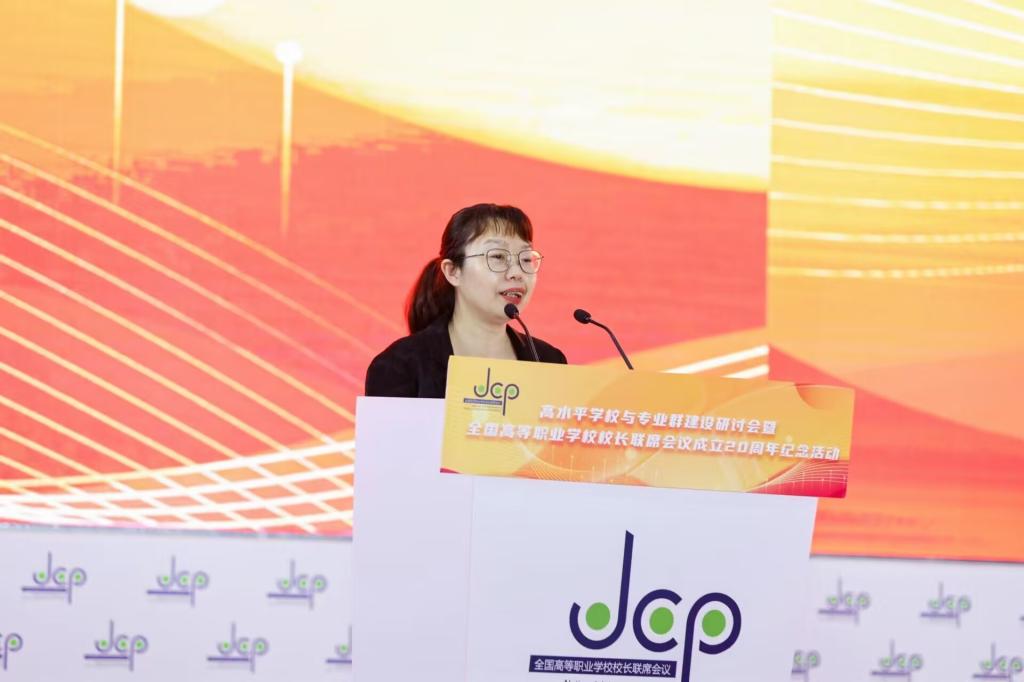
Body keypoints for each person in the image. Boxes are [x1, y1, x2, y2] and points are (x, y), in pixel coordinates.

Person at [365, 203, 567, 398]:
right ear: (453, 271)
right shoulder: (400, 366)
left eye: (525, 259)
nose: (517, 272)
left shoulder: (549, 362)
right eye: (498, 257)